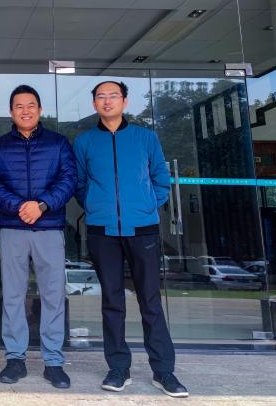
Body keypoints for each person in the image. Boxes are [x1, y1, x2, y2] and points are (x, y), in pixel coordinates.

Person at [72, 80, 188, 398]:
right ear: (94, 103)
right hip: (103, 232)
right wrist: (95, 207)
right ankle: (118, 368)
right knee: (112, 302)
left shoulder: (145, 137)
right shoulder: (84, 142)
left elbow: (161, 179)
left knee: (150, 301)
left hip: (143, 229)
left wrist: (147, 206)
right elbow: (79, 184)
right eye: (101, 96)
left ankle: (163, 371)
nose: (107, 101)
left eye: (113, 96)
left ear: (124, 101)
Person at [0, 84, 77, 389]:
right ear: (11, 112)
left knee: (53, 296)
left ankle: (54, 362)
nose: (25, 111)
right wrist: (19, 207)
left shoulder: (58, 143)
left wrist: (42, 205)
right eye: (19, 106)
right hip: (13, 228)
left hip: (49, 229)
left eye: (31, 105)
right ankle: (15, 359)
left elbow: (69, 179)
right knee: (12, 295)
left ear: (40, 110)